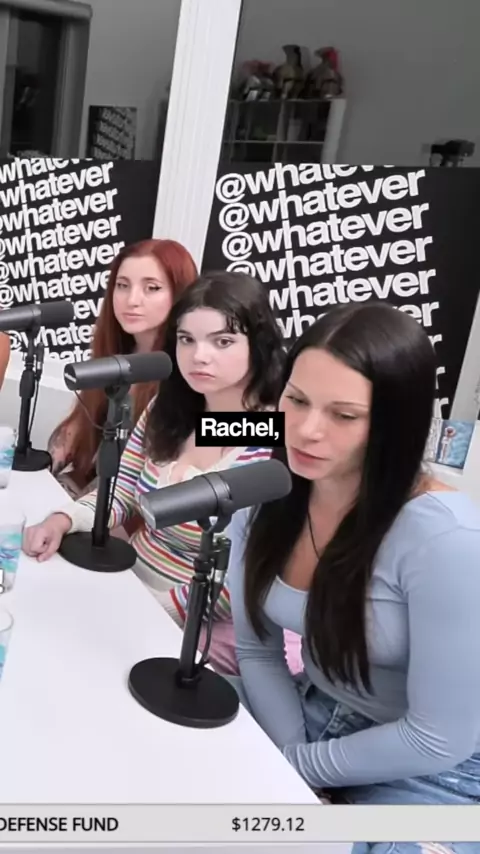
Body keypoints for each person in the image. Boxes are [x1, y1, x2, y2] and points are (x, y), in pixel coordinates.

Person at [225, 302, 480, 854]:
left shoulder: (448, 538)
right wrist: (292, 760)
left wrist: (299, 769)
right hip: (310, 712)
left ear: (394, 424)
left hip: (433, 772)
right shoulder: (266, 497)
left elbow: (440, 736)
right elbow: (257, 649)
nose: (307, 431)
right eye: (296, 400)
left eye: (343, 415)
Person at [23, 271, 301, 675]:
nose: (199, 356)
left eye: (222, 341)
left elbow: (242, 577)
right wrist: (64, 519)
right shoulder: (169, 412)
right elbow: (121, 493)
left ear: (258, 345)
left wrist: (151, 611)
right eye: (186, 339)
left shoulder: (277, 441)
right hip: (126, 583)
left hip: (198, 629)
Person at [48, 238, 198, 498]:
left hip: (126, 511)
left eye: (152, 288)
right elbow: (72, 440)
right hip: (78, 498)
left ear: (180, 294)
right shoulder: (114, 357)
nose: (132, 300)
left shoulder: (189, 376)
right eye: (122, 286)